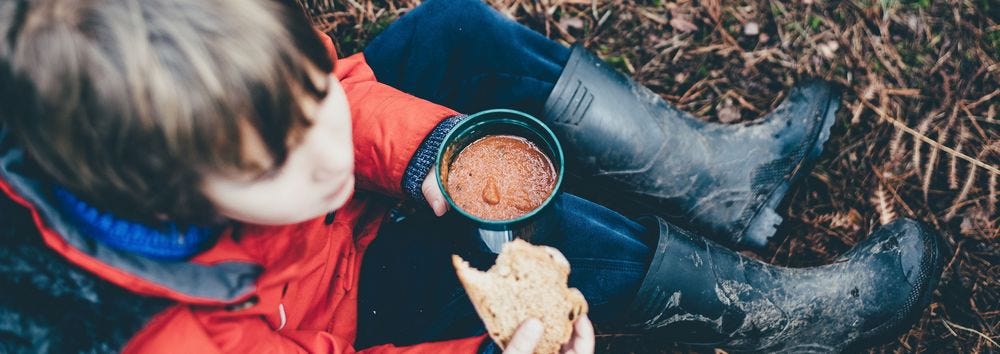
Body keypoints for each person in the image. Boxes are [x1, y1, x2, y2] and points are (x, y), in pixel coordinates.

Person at [0, 0, 941, 353]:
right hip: (349, 323)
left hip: (347, 225)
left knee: (458, 33)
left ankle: (731, 186)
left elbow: (340, 94)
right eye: (283, 157)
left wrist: (419, 155)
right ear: (167, 199)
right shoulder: (160, 334)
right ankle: (770, 319)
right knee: (548, 250)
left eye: (308, 98)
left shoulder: (183, 64)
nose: (326, 146)